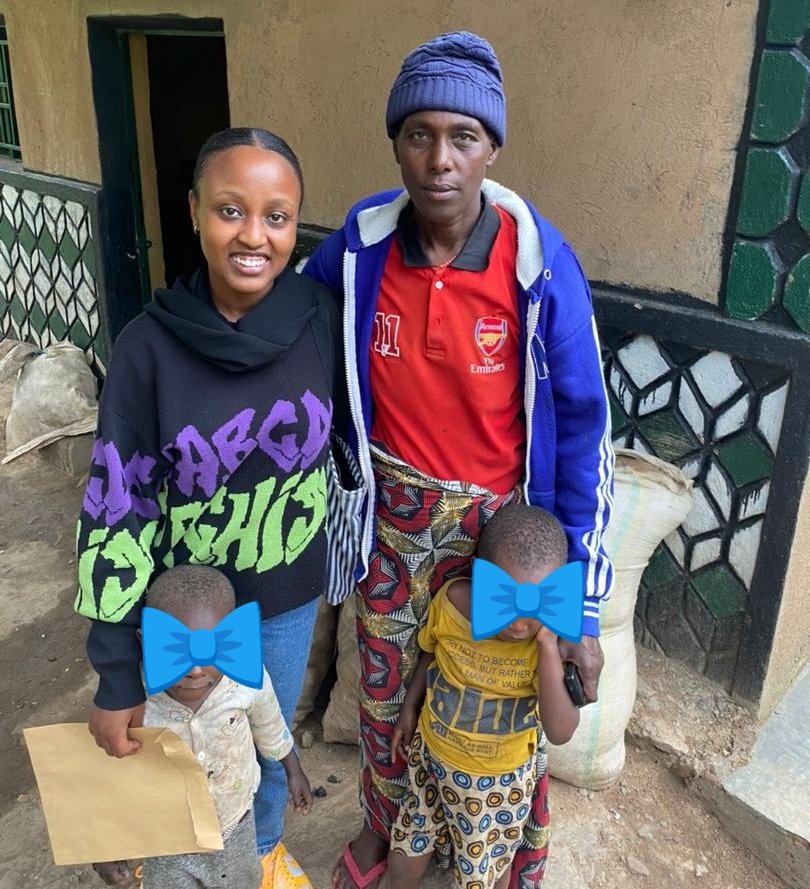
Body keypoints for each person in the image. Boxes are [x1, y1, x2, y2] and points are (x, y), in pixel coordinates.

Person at [304, 30, 614, 889]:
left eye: (463, 137)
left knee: (504, 692)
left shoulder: (542, 266)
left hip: (502, 532)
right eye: (419, 134)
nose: (440, 159)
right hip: (389, 524)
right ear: (397, 142)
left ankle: (502, 845)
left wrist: (580, 608)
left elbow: (585, 436)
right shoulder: (360, 248)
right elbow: (294, 330)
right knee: (386, 686)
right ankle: (387, 824)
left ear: (493, 148)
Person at [75, 127, 340, 869]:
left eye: (277, 215)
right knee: (178, 773)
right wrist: (116, 669)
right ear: (193, 211)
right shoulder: (146, 349)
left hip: (283, 605)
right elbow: (115, 510)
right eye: (230, 210)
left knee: (258, 750)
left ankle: (253, 862)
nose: (254, 235)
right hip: (179, 619)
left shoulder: (319, 317)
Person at [387, 505, 578, 888]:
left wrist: (545, 644)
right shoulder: (454, 601)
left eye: (536, 608)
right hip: (431, 759)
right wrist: (409, 707)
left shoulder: (547, 642)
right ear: (479, 574)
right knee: (408, 847)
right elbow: (432, 652)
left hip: (497, 787)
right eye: (507, 604)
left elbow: (560, 730)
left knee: (484, 871)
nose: (521, 623)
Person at [92, 565, 312, 888]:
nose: (195, 670)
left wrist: (292, 767)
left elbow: (269, 721)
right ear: (145, 641)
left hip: (235, 826)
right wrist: (109, 839)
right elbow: (116, 773)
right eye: (178, 653)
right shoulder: (135, 700)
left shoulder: (245, 681)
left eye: (211, 648)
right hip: (167, 837)